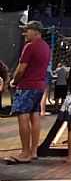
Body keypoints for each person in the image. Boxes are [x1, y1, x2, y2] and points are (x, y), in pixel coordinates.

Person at [5, 21, 51, 164]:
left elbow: (21, 69)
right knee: (35, 116)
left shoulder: (29, 47)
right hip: (39, 86)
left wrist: (14, 81)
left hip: (27, 86)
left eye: (27, 30)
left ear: (36, 32)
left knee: (23, 117)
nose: (24, 33)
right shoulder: (46, 47)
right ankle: (33, 151)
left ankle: (25, 153)